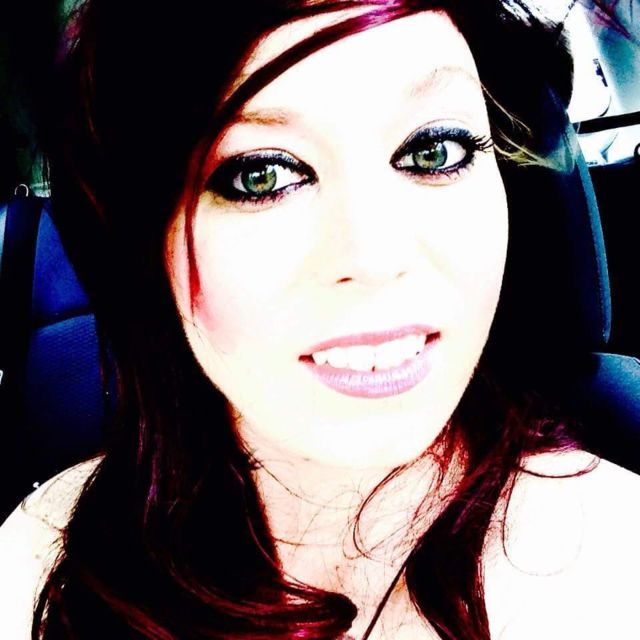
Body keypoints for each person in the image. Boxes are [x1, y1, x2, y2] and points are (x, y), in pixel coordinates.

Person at [1, 1, 639, 638]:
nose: (375, 260)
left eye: (434, 150)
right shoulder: (37, 561)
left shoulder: (620, 556)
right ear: (146, 240)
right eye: (261, 176)